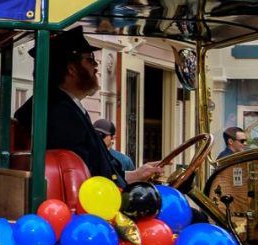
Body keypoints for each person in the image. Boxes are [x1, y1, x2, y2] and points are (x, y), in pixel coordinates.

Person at [12, 27, 163, 186]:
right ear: (71, 69)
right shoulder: (61, 113)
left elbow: (99, 169)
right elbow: (86, 175)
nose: (96, 66)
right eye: (90, 60)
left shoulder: (66, 106)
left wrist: (137, 174)